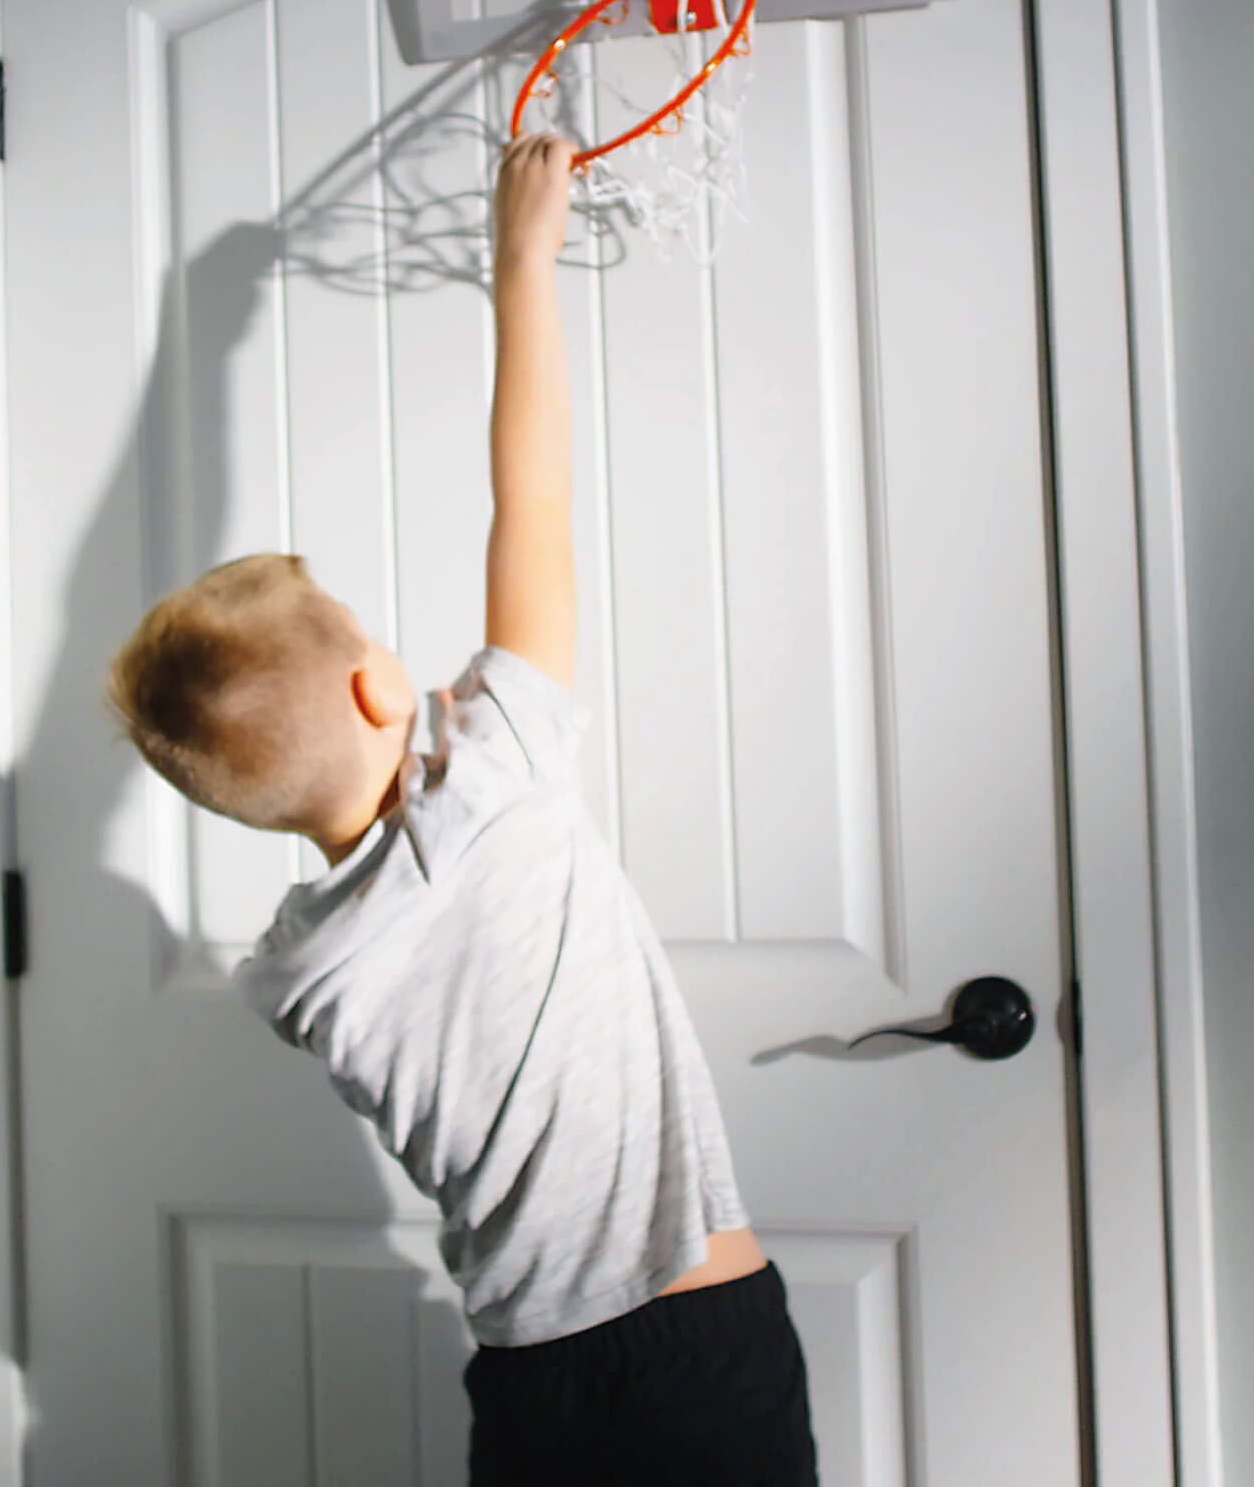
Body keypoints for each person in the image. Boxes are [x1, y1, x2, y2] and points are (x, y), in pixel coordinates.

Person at [107, 131, 818, 1484]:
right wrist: (522, 260)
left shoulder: (298, 976)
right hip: (694, 1336)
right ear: (379, 686)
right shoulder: (499, 782)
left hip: (529, 1381)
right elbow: (529, 503)